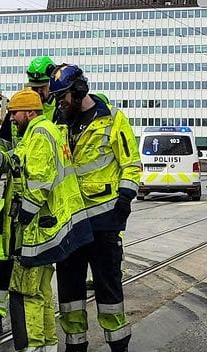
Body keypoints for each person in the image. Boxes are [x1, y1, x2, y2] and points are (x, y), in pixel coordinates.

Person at [0, 89, 91, 352]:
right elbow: (15, 160)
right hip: (51, 229)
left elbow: (38, 184)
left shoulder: (38, 135)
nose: (11, 119)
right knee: (41, 293)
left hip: (38, 230)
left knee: (26, 294)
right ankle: (46, 346)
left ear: (29, 112)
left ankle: (33, 347)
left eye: (14, 113)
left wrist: (23, 217)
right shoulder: (39, 132)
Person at [49, 64, 141, 352]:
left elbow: (131, 164)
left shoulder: (113, 119)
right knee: (69, 294)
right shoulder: (59, 122)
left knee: (109, 291)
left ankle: (118, 346)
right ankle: (75, 345)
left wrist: (124, 200)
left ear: (78, 92)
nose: (59, 103)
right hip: (69, 223)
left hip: (103, 223)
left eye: (62, 97)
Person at [0, 56, 56, 340]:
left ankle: (41, 332)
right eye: (33, 85)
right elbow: (4, 149)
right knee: (2, 261)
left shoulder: (55, 113)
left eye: (41, 86)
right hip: (14, 202)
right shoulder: (19, 109)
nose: (37, 91)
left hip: (44, 207)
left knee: (36, 273)